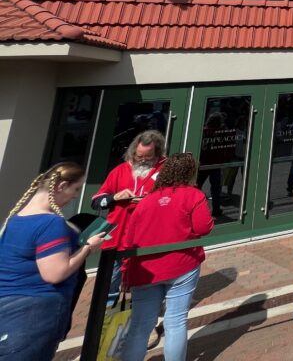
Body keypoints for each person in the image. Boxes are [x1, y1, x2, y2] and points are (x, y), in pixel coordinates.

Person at [0, 163, 106, 360]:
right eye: (76, 189)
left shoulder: (15, 219)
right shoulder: (50, 223)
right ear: (61, 186)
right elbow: (55, 273)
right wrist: (88, 247)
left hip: (7, 306)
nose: (75, 196)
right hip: (35, 313)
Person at [120, 153, 215, 361]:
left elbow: (129, 240)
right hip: (182, 264)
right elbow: (203, 227)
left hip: (145, 270)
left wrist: (126, 273)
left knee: (140, 323)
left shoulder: (145, 202)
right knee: (176, 321)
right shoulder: (193, 195)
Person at [91, 129, 167, 304]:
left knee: (145, 288)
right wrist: (114, 197)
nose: (142, 161)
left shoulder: (164, 171)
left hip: (147, 239)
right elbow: (96, 201)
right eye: (138, 156)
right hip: (117, 238)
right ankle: (107, 320)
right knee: (110, 286)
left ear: (157, 154)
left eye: (147, 157)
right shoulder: (120, 171)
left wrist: (153, 200)